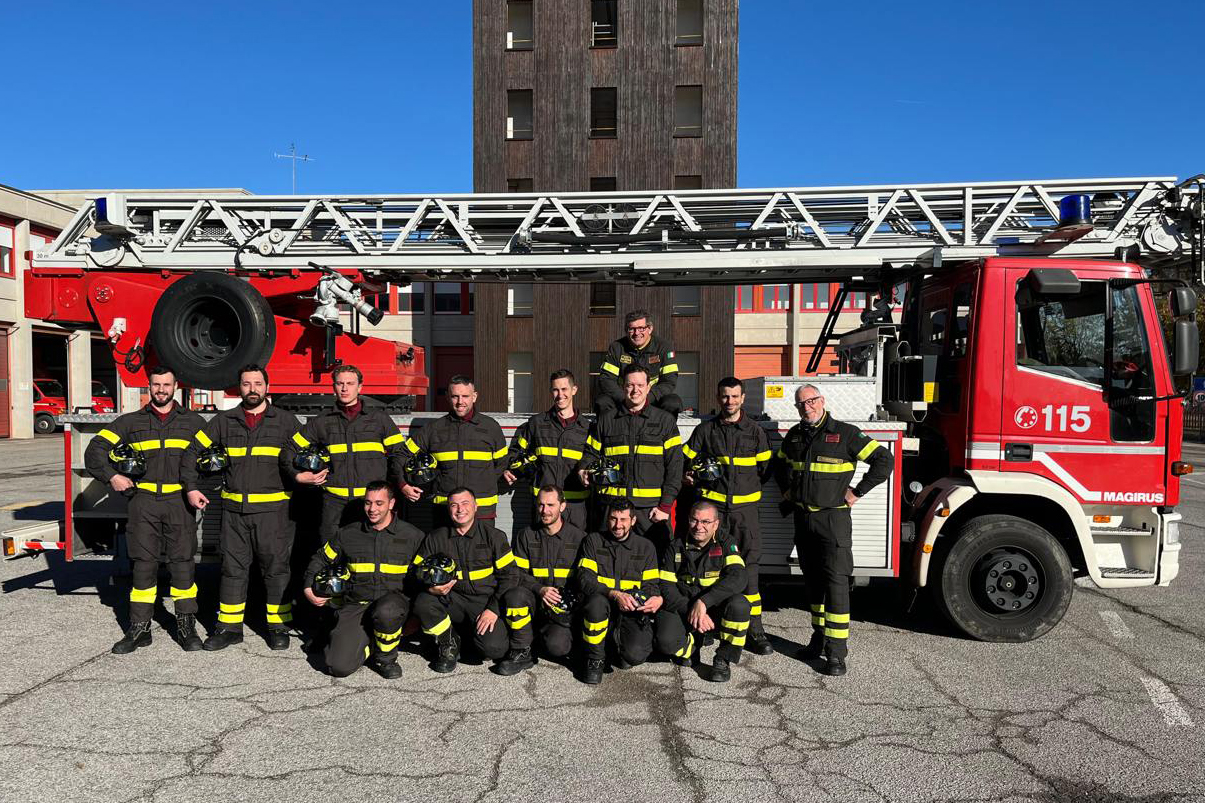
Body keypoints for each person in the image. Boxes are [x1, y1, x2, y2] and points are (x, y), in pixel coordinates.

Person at [772, 383, 892, 676]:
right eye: (801, 404)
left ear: (822, 400)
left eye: (811, 401)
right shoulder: (795, 435)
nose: (807, 407)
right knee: (813, 583)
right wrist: (787, 491)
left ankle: (836, 654)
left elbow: (884, 460)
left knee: (836, 584)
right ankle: (819, 639)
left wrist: (857, 492)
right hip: (803, 519)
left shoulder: (846, 433)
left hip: (833, 521)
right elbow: (780, 465)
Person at [83, 366, 206, 654]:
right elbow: (95, 450)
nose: (161, 390)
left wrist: (196, 486)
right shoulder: (130, 422)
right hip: (143, 502)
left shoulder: (193, 422)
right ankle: (140, 628)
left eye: (166, 384)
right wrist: (112, 476)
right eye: (156, 384)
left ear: (176, 387)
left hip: (178, 502)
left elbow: (214, 455)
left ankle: (186, 626)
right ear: (148, 387)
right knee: (143, 566)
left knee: (182, 564)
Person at [180, 364, 302, 651]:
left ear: (267, 387)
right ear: (239, 388)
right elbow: (193, 451)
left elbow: (308, 453)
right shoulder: (224, 421)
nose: (252, 389)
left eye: (258, 383)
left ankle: (278, 626)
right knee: (232, 570)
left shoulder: (286, 422)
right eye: (246, 384)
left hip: (273, 514)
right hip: (234, 514)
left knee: (276, 570)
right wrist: (191, 487)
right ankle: (229, 628)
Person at [681, 377, 774, 655]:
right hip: (715, 514)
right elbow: (684, 461)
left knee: (750, 570)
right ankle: (709, 624)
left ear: (743, 398)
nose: (729, 401)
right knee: (710, 567)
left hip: (745, 515)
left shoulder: (755, 432)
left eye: (734, 396)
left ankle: (755, 630)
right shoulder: (705, 430)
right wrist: (689, 475)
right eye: (725, 396)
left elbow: (766, 471)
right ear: (718, 398)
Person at [302, 481, 425, 679]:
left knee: (387, 611)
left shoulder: (412, 535)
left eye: (379, 503)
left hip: (394, 605)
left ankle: (386, 659)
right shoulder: (348, 534)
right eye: (368, 503)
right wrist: (308, 586)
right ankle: (371, 643)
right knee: (338, 667)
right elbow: (321, 559)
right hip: (357, 605)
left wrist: (418, 616)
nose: (372, 509)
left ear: (392, 503)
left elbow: (425, 578)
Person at [285, 365, 408, 541]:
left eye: (350, 383)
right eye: (340, 383)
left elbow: (400, 454)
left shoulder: (379, 420)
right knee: (330, 553)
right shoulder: (321, 422)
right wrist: (297, 476)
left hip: (369, 504)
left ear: (360, 387)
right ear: (333, 387)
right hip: (333, 505)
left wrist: (402, 483)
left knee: (370, 552)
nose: (344, 388)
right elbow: (289, 449)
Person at [577, 363, 683, 550]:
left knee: (656, 559)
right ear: (623, 387)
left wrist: (665, 506)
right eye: (630, 385)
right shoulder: (607, 420)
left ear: (648, 387)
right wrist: (583, 468)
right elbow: (591, 452)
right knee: (607, 558)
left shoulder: (664, 421)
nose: (635, 390)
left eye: (640, 385)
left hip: (650, 511)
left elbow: (675, 467)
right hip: (612, 510)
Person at [411, 488, 515, 674]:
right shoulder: (435, 538)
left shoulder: (494, 536)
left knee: (494, 649)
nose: (460, 509)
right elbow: (415, 571)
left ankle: (468, 638)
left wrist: (493, 609)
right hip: (452, 600)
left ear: (475, 506)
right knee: (423, 602)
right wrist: (430, 589)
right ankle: (449, 641)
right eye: (454, 505)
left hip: (484, 602)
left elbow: (511, 576)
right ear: (448, 509)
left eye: (465, 503)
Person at [496, 485, 587, 675]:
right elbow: (517, 573)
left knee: (558, 647)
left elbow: (584, 579)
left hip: (562, 607)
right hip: (535, 600)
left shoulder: (579, 538)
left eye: (550, 505)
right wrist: (540, 589)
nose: (544, 510)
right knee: (515, 596)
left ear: (563, 506)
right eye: (541, 505)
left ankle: (547, 636)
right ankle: (522, 651)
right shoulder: (526, 535)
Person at [655, 500, 749, 683]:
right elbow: (666, 587)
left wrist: (704, 602)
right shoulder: (675, 546)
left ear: (716, 524)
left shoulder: (726, 543)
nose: (698, 527)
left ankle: (723, 658)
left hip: (713, 606)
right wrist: (692, 611)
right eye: (694, 520)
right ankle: (692, 647)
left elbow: (739, 577)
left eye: (705, 522)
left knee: (740, 605)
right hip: (684, 606)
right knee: (665, 642)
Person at [576, 500, 663, 686]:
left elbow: (651, 585)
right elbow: (585, 579)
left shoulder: (646, 547)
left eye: (623, 519)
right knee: (595, 604)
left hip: (630, 610)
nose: (617, 525)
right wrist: (614, 594)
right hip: (603, 604)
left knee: (635, 655)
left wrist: (652, 598)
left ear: (633, 521)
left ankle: (617, 647)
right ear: (607, 519)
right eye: (613, 519)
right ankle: (595, 659)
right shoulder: (593, 541)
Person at [400, 375, 507, 524]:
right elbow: (402, 455)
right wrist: (403, 485)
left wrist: (483, 483)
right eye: (455, 396)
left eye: (465, 396)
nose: (460, 401)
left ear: (474, 397)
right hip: (445, 510)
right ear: (447, 397)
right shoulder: (434, 429)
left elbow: (502, 463)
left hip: (482, 511)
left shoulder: (491, 427)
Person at [503, 369, 590, 531]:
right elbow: (515, 452)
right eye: (555, 390)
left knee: (575, 546)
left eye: (564, 389)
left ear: (574, 390)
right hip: (543, 506)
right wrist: (512, 468)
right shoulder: (537, 424)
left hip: (575, 507)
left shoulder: (586, 428)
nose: (560, 395)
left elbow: (592, 458)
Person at [595, 310, 681, 415]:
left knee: (672, 403)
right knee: (602, 402)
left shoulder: (663, 347)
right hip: (623, 400)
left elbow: (669, 382)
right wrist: (625, 399)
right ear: (626, 330)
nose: (636, 333)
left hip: (652, 400)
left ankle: (665, 426)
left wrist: (647, 398)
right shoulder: (616, 347)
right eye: (632, 329)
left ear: (650, 329)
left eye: (641, 328)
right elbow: (606, 380)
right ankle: (608, 426)